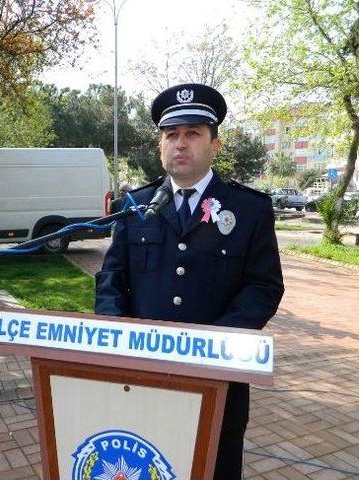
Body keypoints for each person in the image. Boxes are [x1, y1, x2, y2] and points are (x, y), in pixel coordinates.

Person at [95, 83, 284, 479]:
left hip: (217, 379)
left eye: (193, 134)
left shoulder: (249, 209)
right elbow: (112, 277)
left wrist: (209, 347)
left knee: (214, 466)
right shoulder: (136, 206)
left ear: (215, 145)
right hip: (142, 375)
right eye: (171, 135)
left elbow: (264, 286)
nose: (180, 144)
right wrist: (117, 338)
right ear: (161, 145)